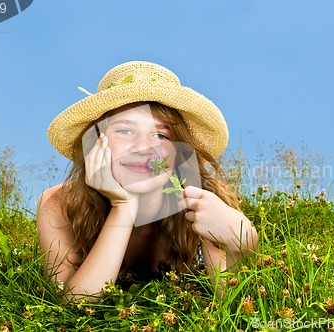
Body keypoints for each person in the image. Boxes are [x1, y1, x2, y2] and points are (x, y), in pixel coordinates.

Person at [37, 61, 257, 299]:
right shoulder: (58, 203)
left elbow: (233, 304)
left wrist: (242, 246)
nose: (143, 148)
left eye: (160, 135)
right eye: (125, 130)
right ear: (96, 142)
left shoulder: (202, 201)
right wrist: (123, 206)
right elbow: (72, 303)